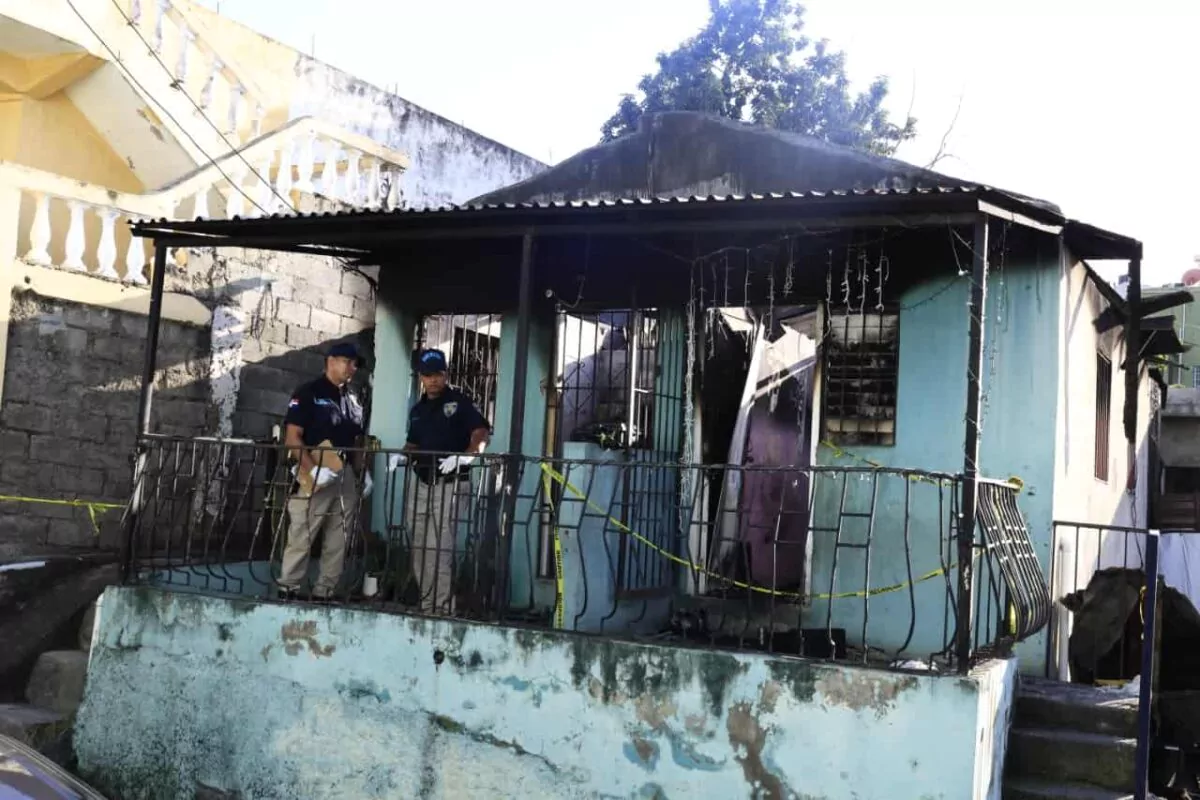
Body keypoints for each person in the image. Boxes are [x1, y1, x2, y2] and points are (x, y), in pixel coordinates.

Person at [389, 348, 490, 614]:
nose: (433, 380)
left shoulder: (459, 402)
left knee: (439, 549)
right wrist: (402, 456)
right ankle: (427, 604)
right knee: (419, 547)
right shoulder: (418, 409)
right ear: (421, 377)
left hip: (451, 483)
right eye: (427, 375)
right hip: (422, 481)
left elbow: (481, 432)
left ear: (445, 374)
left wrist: (466, 457)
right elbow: (413, 443)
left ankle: (441, 609)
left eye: (437, 374)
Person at [278, 342, 372, 599]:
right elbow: (292, 437)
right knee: (303, 532)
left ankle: (325, 592)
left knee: (339, 537)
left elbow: (356, 441)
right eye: (348, 362)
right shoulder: (309, 392)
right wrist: (312, 470)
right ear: (331, 361)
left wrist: (362, 472)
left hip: (345, 472)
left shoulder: (353, 400)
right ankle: (289, 589)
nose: (352, 368)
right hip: (314, 469)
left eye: (355, 364)